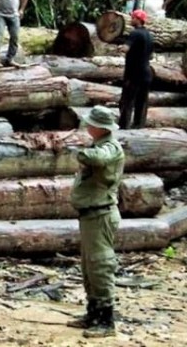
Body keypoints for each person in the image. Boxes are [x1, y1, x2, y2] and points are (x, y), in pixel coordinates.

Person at [67, 105, 125, 338]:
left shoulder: (110, 147)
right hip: (91, 216)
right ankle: (93, 313)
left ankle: (105, 320)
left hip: (101, 215)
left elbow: (100, 159)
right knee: (89, 268)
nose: (87, 126)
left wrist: (76, 152)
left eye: (91, 124)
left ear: (100, 127)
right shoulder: (98, 144)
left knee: (100, 267)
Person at [118, 9, 153, 129]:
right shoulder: (149, 35)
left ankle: (123, 127)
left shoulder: (135, 33)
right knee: (141, 103)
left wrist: (120, 47)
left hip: (134, 73)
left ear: (138, 20)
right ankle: (139, 126)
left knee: (127, 101)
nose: (131, 20)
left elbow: (125, 49)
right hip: (146, 72)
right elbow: (151, 55)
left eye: (133, 18)